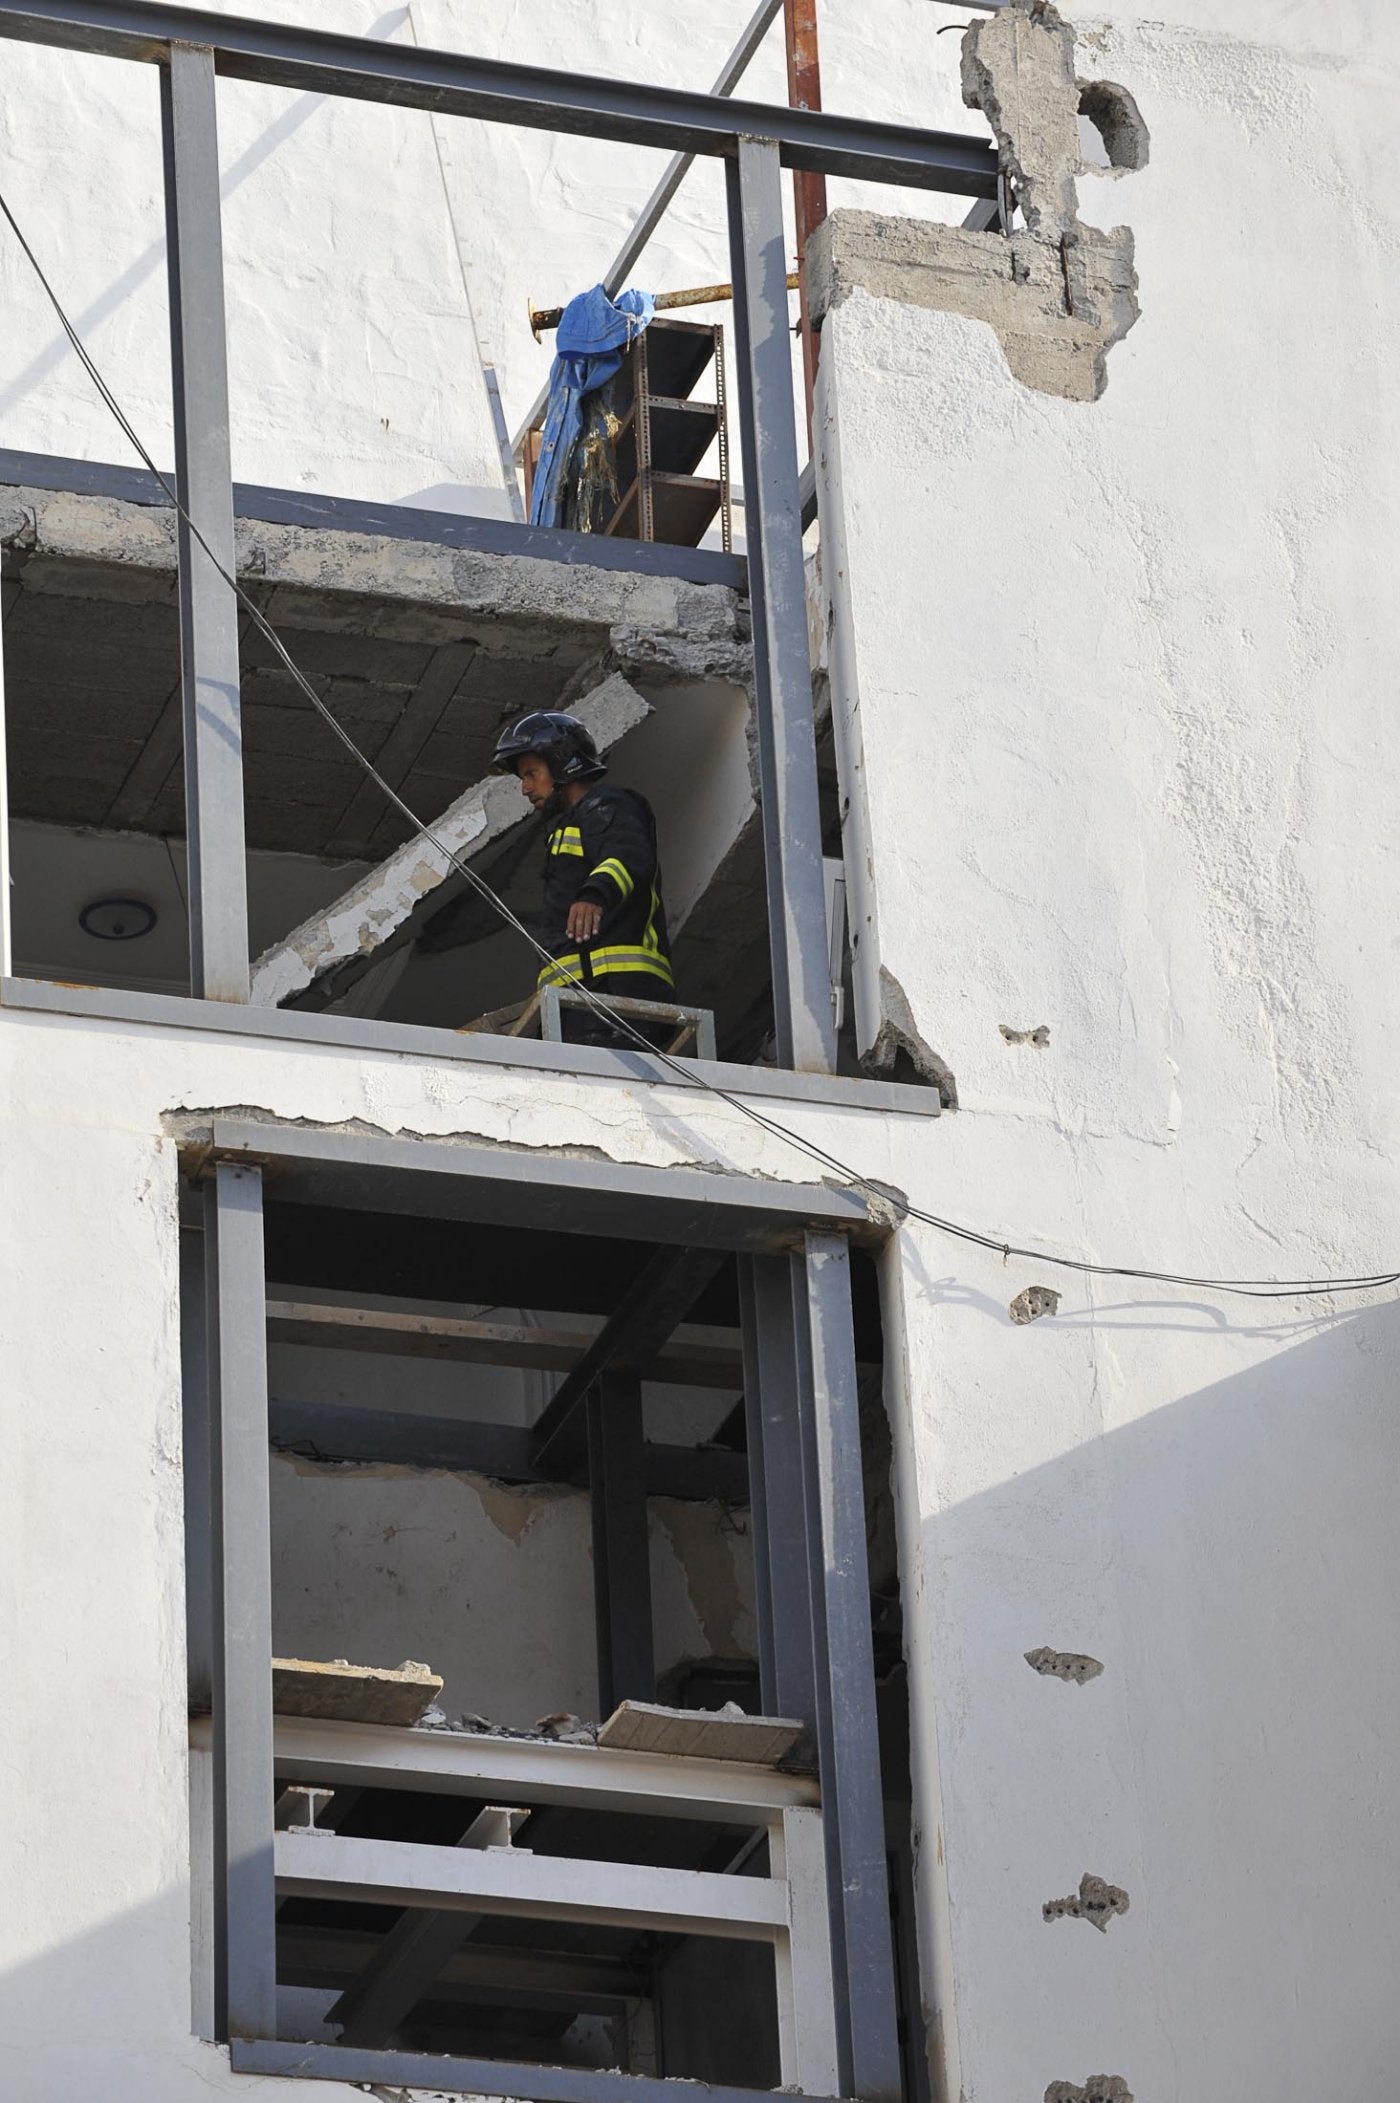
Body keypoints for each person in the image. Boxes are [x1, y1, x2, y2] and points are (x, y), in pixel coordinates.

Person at [491, 710, 675, 1047]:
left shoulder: (605, 805)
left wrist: (594, 894)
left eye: (532, 773)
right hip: (580, 1005)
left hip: (619, 998)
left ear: (562, 764)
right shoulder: (565, 829)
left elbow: (628, 855)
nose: (525, 788)